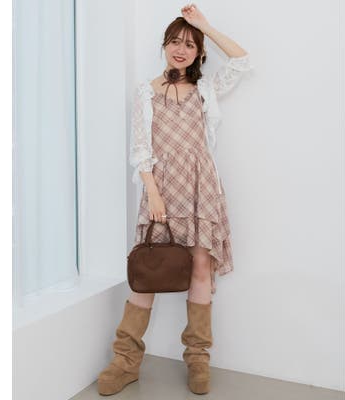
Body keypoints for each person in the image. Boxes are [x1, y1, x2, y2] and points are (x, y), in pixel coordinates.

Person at [97, 3, 253, 396]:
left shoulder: (205, 89)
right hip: (161, 189)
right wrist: (152, 192)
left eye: (189, 44)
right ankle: (125, 361)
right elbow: (141, 148)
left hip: (200, 187)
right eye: (174, 42)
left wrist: (204, 26)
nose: (180, 49)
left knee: (199, 268)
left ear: (199, 52)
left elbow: (241, 60)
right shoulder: (145, 92)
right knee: (150, 269)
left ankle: (198, 360)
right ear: (164, 45)